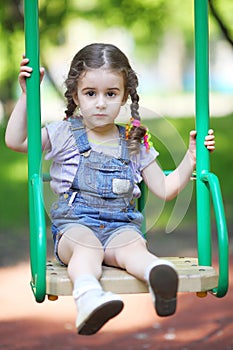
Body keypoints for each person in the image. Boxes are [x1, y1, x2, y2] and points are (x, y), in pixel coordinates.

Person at [5, 43, 215, 336]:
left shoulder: (134, 140)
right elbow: (16, 142)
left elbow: (165, 189)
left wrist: (191, 158)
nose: (101, 103)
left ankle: (157, 277)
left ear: (125, 95)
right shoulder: (64, 133)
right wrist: (29, 97)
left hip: (120, 227)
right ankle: (89, 298)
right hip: (74, 227)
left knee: (135, 249)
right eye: (91, 93)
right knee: (86, 249)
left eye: (111, 94)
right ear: (76, 94)